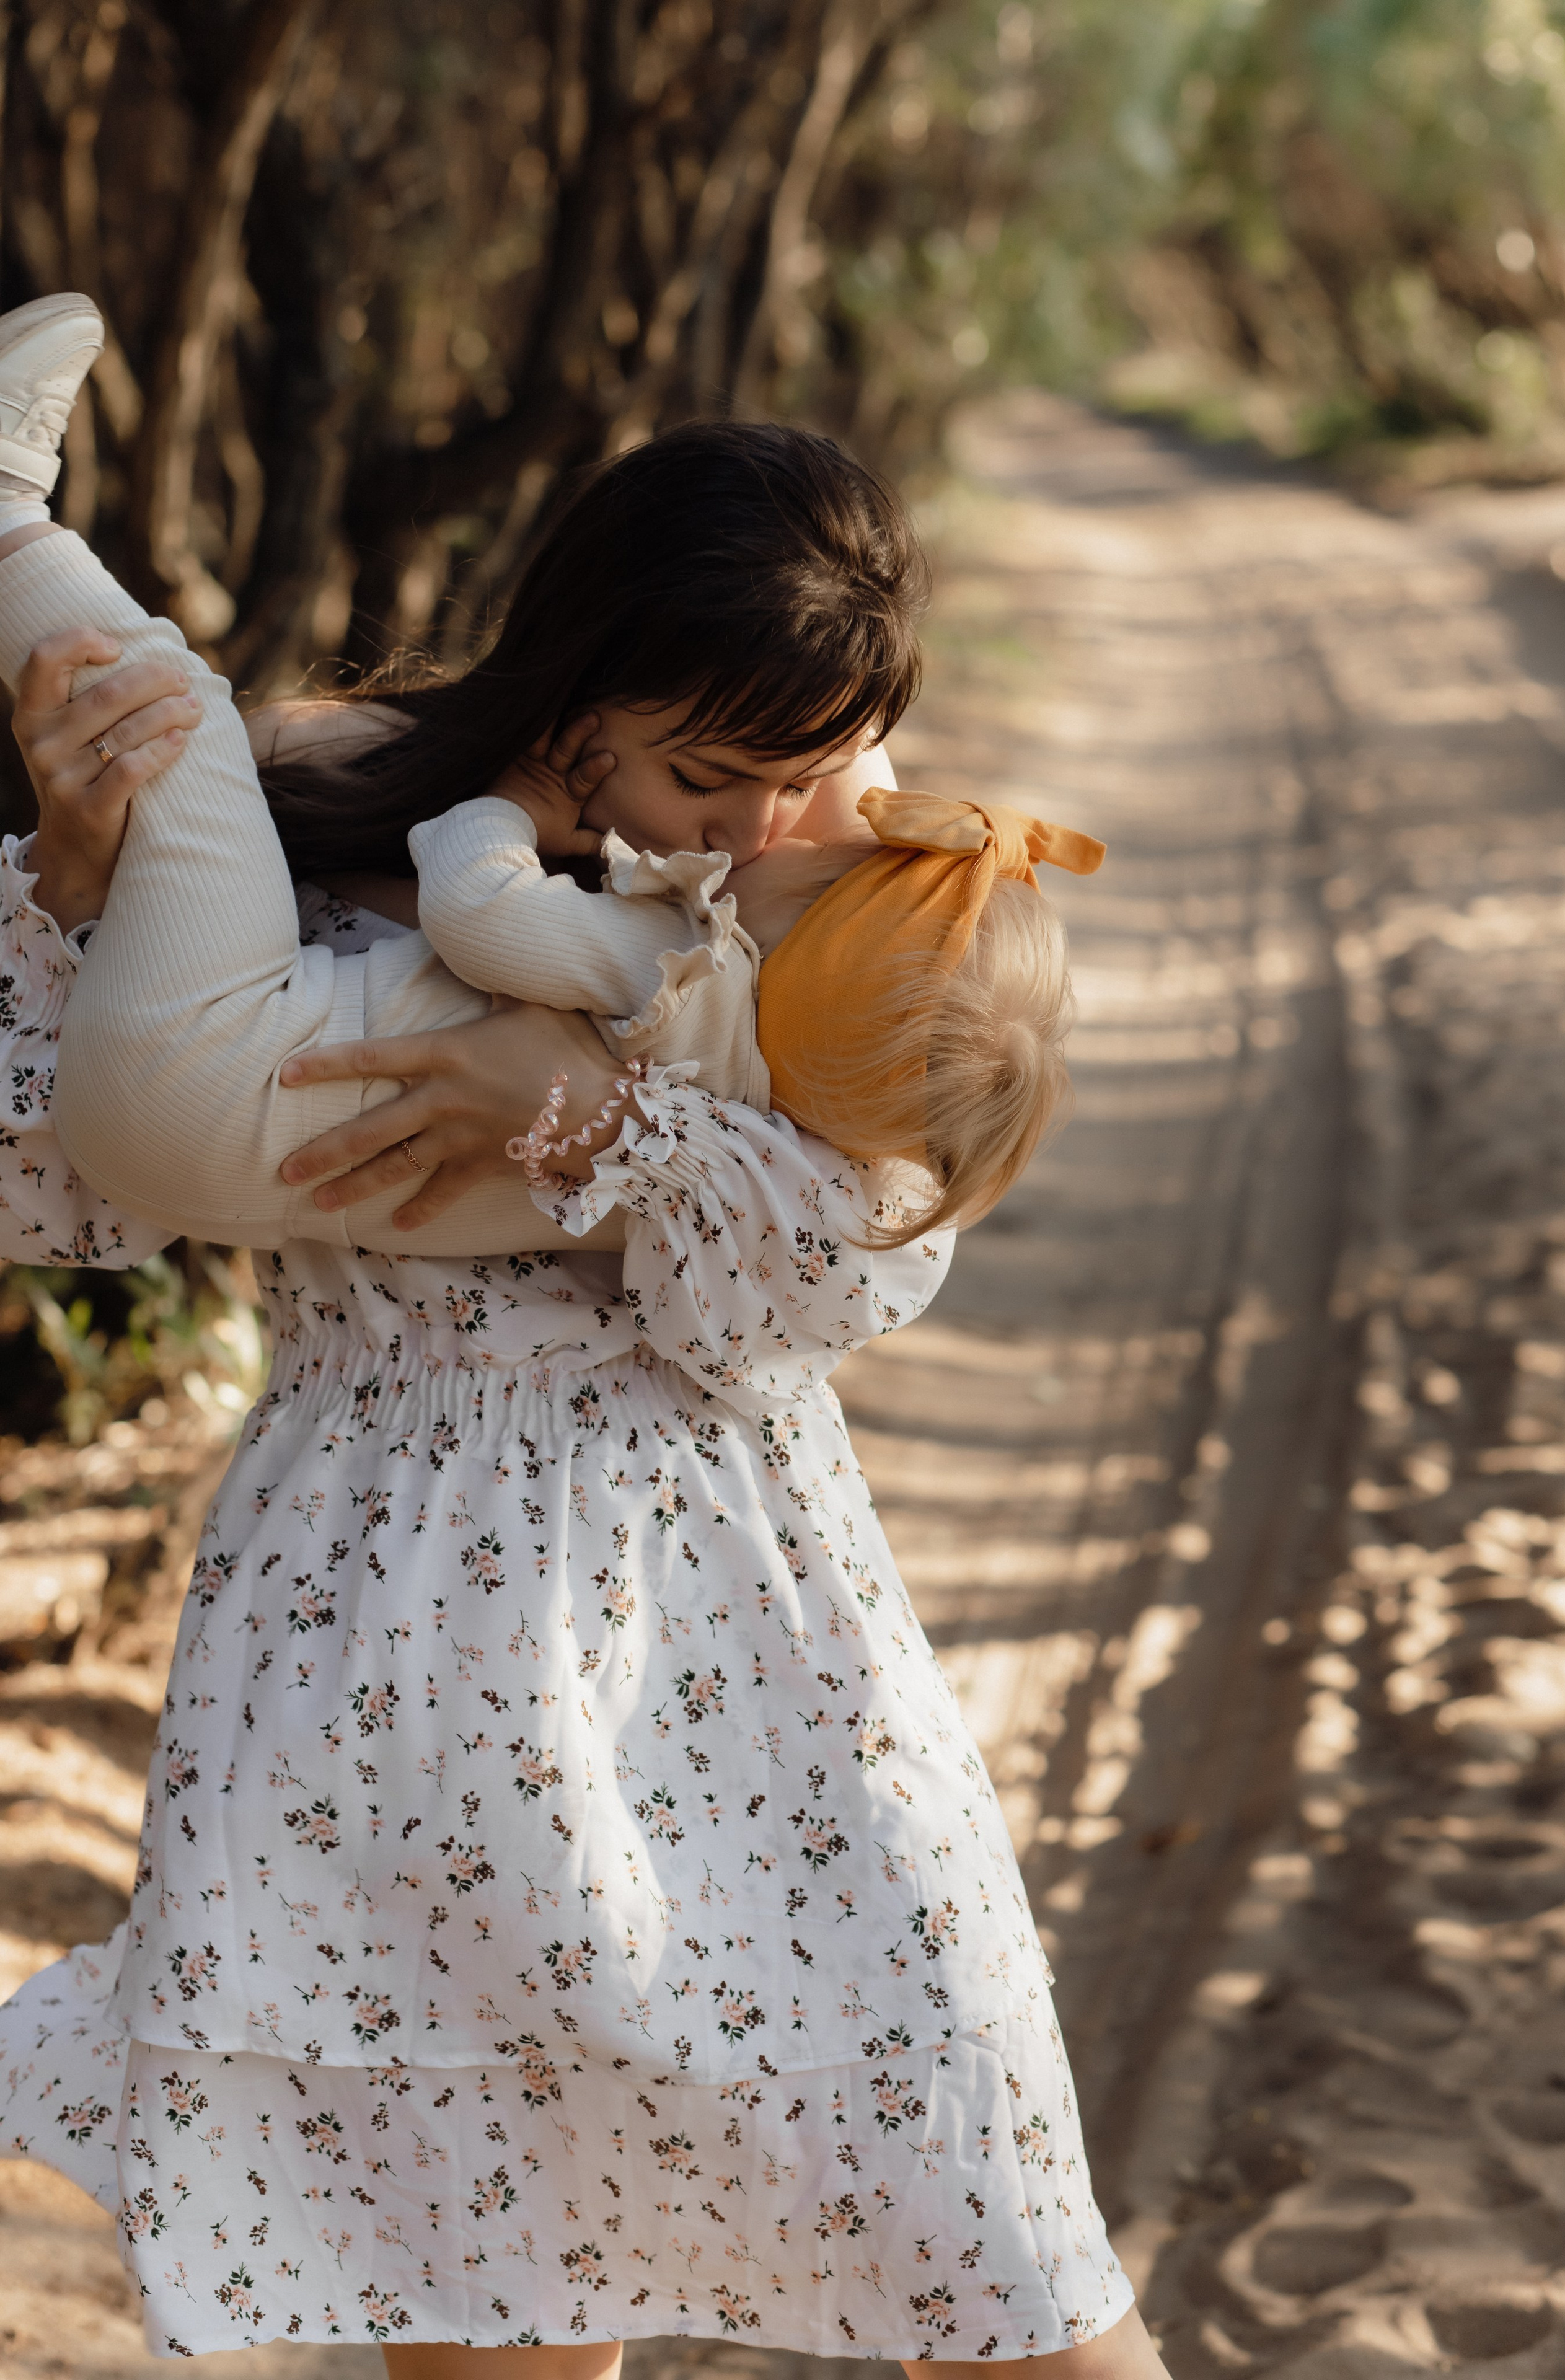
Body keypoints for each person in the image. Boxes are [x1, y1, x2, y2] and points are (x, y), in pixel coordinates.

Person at [0, 294, 1168, 2374]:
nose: (756, 838)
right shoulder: (325, 805)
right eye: (714, 776)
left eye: (813, 781)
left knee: (1002, 2237)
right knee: (495, 2297)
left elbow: (860, 1266)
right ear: (576, 695)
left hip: (739, 1636)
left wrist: (602, 1125)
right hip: (383, 1639)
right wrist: (82, 900)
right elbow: (79, 1177)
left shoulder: (849, 912)